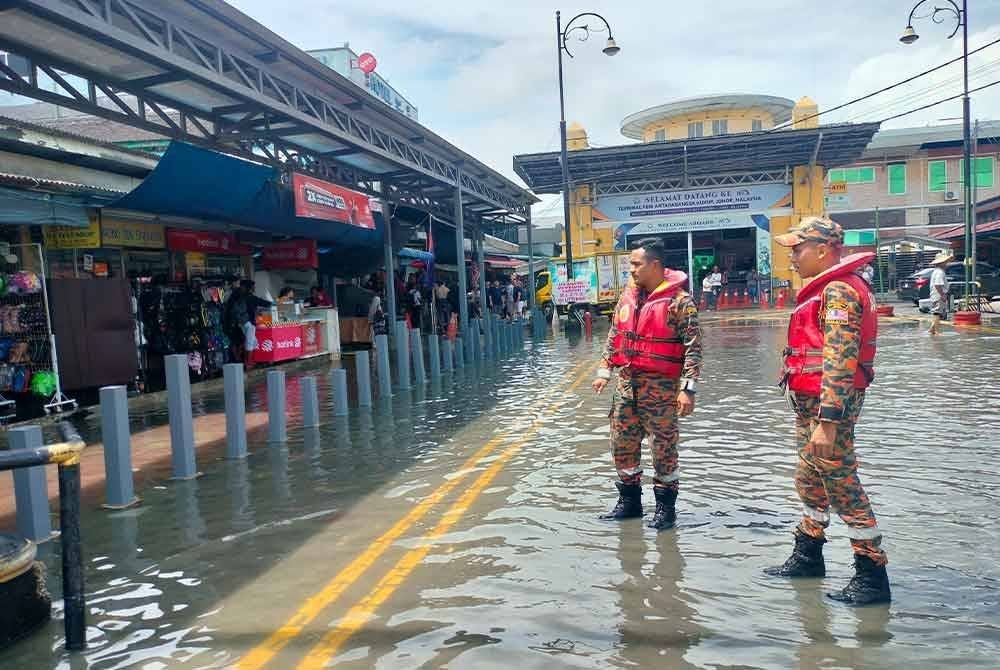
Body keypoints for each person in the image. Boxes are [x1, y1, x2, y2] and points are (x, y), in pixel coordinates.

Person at [765, 216, 890, 606]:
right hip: (813, 407)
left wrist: (828, 422)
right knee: (809, 478)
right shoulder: (830, 289)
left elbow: (839, 360)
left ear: (823, 251)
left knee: (841, 483)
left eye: (797, 250)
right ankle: (808, 554)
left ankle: (871, 575)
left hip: (828, 407)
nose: (792, 259)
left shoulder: (838, 292)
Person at [592, 238, 702, 531]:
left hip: (662, 389)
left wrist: (687, 389)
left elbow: (693, 348)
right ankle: (630, 503)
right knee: (622, 444)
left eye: (636, 264)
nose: (631, 270)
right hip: (626, 387)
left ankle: (665, 510)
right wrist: (604, 369)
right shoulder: (628, 298)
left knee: (663, 449)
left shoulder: (681, 303)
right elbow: (615, 335)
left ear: (655, 265)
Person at [927, 251, 953, 336]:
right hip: (938, 295)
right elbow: (938, 284)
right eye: (945, 262)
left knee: (937, 312)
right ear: (941, 263)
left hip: (936, 294)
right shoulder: (940, 272)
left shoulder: (936, 271)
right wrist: (943, 295)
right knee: (937, 313)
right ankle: (936, 331)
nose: (947, 264)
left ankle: (932, 329)